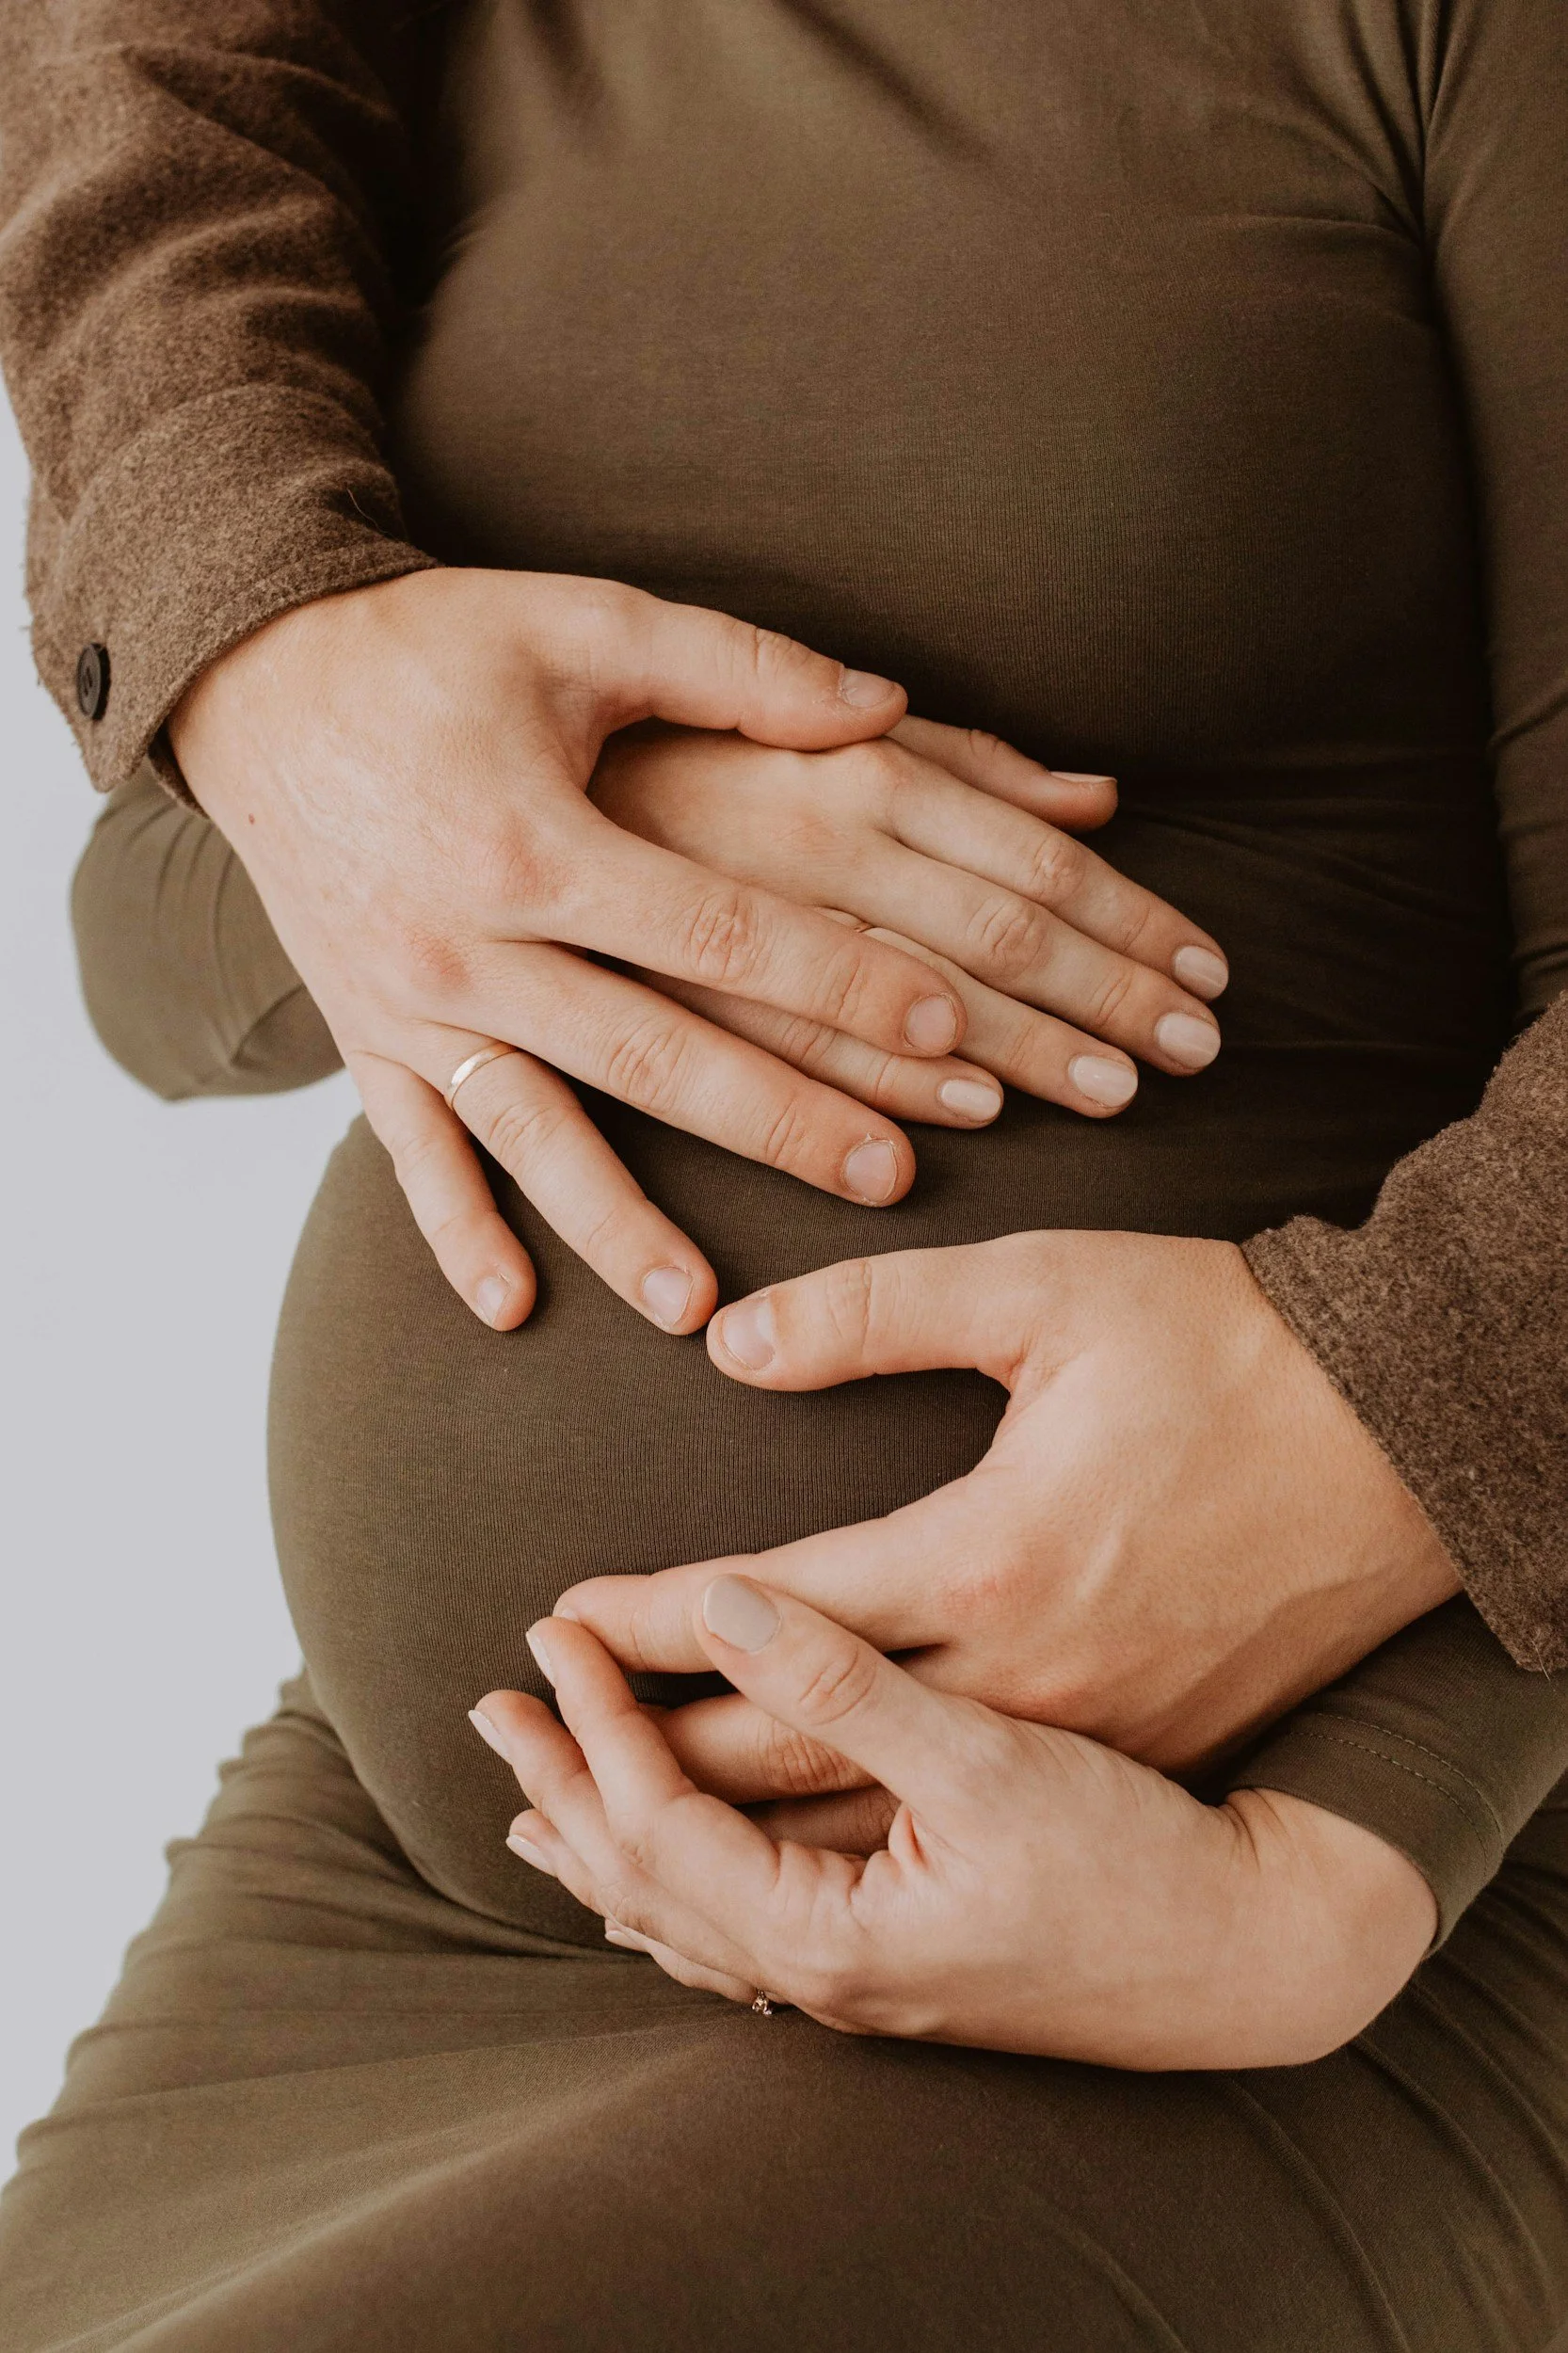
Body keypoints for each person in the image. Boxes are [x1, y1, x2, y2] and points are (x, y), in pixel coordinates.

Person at [2, 2, 1567, 2346]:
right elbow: (139, 949)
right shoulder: (402, 62)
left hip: (1241, 1887)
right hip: (414, 1869)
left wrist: (1337, 1865)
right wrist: (522, 842)